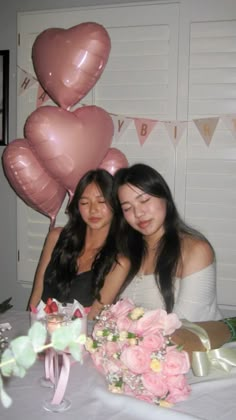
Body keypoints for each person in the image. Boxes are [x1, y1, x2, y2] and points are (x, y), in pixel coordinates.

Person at [110, 163, 236, 356]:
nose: (138, 213)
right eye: (128, 208)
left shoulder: (195, 250)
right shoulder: (128, 253)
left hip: (192, 357)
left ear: (164, 197)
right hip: (137, 356)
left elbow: (185, 326)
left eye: (144, 200)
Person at [28, 169, 130, 320]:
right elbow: (37, 293)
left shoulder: (119, 262)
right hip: (39, 333)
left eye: (101, 202)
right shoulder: (56, 238)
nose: (93, 210)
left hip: (77, 338)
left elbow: (94, 317)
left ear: (115, 205)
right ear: (77, 206)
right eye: (84, 202)